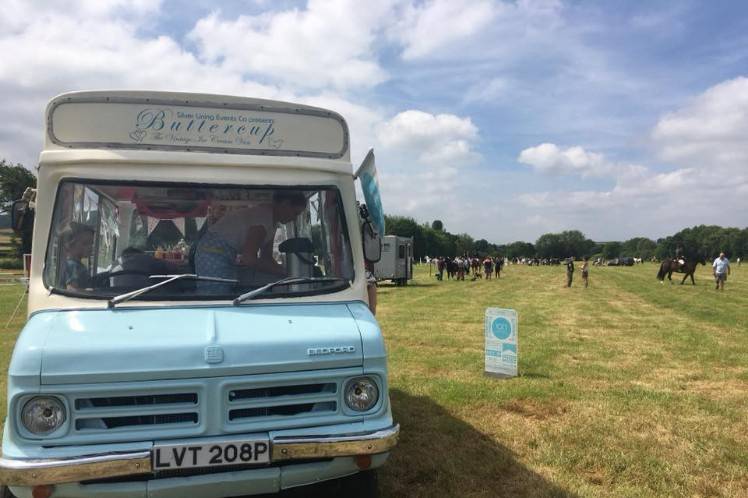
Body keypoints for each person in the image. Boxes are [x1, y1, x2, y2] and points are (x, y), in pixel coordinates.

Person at [195, 191, 307, 293]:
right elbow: (249, 259)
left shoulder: (272, 221)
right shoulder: (263, 216)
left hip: (221, 253)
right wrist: (288, 273)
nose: (294, 219)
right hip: (212, 253)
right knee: (216, 297)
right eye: (295, 213)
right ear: (285, 204)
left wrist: (286, 274)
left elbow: (266, 258)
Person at [60, 222, 95, 290]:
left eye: (91, 243)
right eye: (85, 243)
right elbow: (71, 289)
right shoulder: (72, 266)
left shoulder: (78, 265)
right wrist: (87, 291)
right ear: (69, 245)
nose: (90, 247)